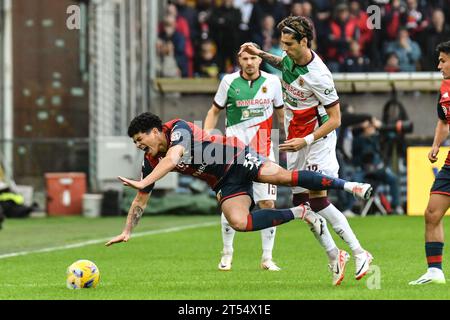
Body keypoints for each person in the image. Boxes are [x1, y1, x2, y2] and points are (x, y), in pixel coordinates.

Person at [106, 112, 373, 285]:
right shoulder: (150, 160)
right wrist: (127, 230)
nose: (140, 146)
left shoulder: (177, 128)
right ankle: (302, 212)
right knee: (239, 222)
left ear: (155, 131)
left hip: (234, 156)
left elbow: (174, 158)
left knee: (281, 177)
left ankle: (349, 186)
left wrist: (144, 180)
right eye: (136, 144)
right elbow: (141, 199)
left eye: (141, 140)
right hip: (223, 180)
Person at [238, 15, 373, 286]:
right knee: (302, 206)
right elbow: (282, 62)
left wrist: (307, 140)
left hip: (317, 140)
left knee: (318, 201)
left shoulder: (319, 75)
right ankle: (335, 254)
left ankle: (360, 252)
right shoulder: (290, 57)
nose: (284, 48)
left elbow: (336, 119)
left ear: (304, 41)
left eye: (289, 44)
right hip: (296, 137)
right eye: (282, 43)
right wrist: (261, 53)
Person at [204, 43, 285, 271]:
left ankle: (267, 258)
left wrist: (288, 139)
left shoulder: (273, 82)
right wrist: (207, 136)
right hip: (234, 154)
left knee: (267, 203)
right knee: (230, 204)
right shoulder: (228, 82)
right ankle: (227, 253)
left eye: (253, 58)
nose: (249, 62)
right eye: (244, 58)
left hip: (263, 152)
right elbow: (214, 111)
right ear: (239, 60)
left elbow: (281, 114)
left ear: (260, 59)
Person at [409, 40, 450, 285]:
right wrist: (436, 144)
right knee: (432, 212)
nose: (439, 65)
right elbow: (443, 121)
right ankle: (435, 272)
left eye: (443, 60)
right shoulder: (445, 87)